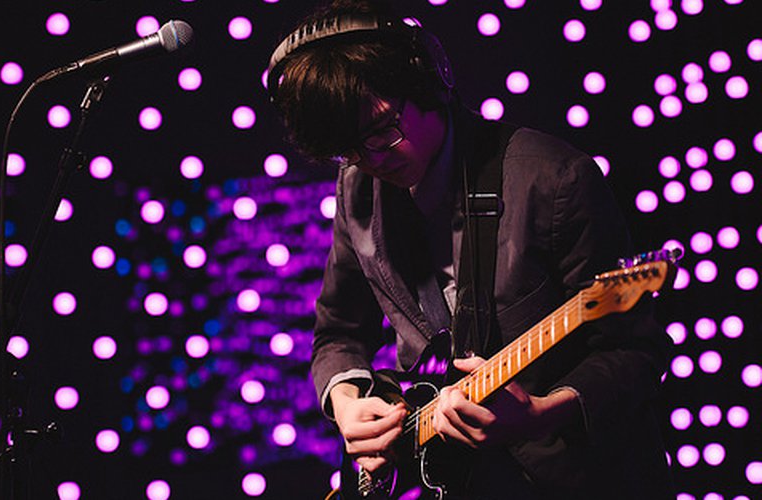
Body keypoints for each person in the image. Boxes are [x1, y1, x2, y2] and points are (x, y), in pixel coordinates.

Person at [267, 1, 673, 498]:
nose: (371, 161)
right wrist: (347, 402)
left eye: (382, 131)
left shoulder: (554, 180)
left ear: (426, 83)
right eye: (348, 148)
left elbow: (636, 351)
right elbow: (338, 332)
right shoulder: (355, 186)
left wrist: (542, 413)